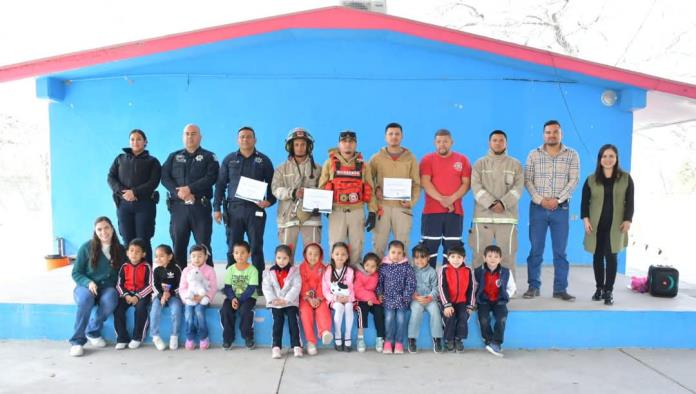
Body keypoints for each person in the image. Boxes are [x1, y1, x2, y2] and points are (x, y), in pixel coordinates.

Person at [523, 120, 580, 301]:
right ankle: (533, 286)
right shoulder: (533, 154)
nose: (551, 135)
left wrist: (557, 199)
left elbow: (574, 180)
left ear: (561, 134)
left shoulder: (572, 155)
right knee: (535, 249)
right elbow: (527, 180)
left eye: (555, 132)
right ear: (543, 134)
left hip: (561, 209)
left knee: (560, 252)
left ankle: (560, 289)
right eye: (548, 132)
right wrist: (541, 200)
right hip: (537, 209)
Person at [215, 126, 275, 290]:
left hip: (255, 210)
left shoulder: (263, 160)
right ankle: (231, 283)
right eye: (242, 137)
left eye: (249, 137)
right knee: (232, 247)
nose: (245, 140)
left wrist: (269, 201)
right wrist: (217, 208)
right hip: (233, 210)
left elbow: (273, 185)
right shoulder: (229, 160)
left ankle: (258, 285)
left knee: (256, 247)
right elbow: (220, 185)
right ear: (237, 140)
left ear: (255, 140)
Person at [581, 144, 634, 305]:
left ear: (616, 158)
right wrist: (586, 219)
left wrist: (628, 219)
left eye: (611, 156)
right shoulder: (591, 179)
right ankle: (599, 288)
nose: (608, 159)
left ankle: (609, 291)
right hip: (596, 225)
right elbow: (584, 202)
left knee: (611, 257)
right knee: (597, 257)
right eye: (604, 156)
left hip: (616, 226)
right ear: (600, 159)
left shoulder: (625, 178)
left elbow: (630, 201)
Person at [161, 124, 219, 268]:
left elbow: (211, 177)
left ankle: (207, 282)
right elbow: (164, 177)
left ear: (200, 137)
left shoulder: (209, 157)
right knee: (178, 246)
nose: (190, 137)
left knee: (203, 246)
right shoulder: (174, 156)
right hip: (178, 208)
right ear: (183, 136)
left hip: (200, 206)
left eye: (193, 134)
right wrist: (178, 192)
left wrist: (190, 189)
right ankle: (181, 282)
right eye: (187, 134)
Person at [318, 131, 376, 267]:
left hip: (357, 211)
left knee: (357, 245)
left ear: (355, 144)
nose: (348, 144)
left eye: (351, 142)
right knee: (336, 246)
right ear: (339, 144)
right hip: (336, 210)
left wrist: (372, 211)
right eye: (344, 141)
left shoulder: (364, 165)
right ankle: (335, 275)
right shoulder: (330, 163)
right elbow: (322, 186)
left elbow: (370, 189)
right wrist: (322, 206)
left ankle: (354, 276)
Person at [469, 130, 524, 274]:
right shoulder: (480, 164)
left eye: (501, 140)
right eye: (495, 140)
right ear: (489, 143)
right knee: (479, 254)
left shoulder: (515, 164)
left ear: (506, 143)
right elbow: (475, 187)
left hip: (507, 218)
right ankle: (477, 288)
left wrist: (503, 204)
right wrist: (492, 204)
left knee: (508, 255)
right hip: (483, 218)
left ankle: (508, 289)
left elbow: (518, 189)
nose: (498, 143)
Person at [69, 216, 124, 357]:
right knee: (86, 299)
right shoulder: (86, 247)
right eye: (99, 229)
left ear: (112, 229)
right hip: (86, 287)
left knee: (112, 298)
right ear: (95, 231)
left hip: (106, 288)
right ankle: (77, 342)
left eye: (106, 228)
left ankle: (92, 330)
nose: (103, 232)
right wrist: (88, 282)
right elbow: (76, 273)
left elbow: (123, 274)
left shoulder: (120, 249)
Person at [420, 129, 472, 268]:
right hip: (431, 213)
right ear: (434, 143)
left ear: (451, 142)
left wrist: (452, 199)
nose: (442, 144)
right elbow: (425, 182)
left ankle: (448, 286)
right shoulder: (427, 159)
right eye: (439, 141)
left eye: (445, 141)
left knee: (452, 251)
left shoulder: (462, 160)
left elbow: (466, 184)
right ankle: (429, 287)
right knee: (428, 250)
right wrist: (443, 200)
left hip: (454, 213)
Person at [107, 129, 162, 261]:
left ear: (145, 142)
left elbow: (153, 182)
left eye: (138, 139)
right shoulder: (120, 159)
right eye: (132, 139)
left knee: (143, 240)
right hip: (124, 205)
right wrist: (123, 192)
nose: (135, 142)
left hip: (144, 205)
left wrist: (135, 192)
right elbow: (110, 177)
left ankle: (146, 276)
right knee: (127, 241)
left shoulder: (153, 161)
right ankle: (128, 276)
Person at [368, 123, 421, 258]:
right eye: (390, 134)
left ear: (402, 136)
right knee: (378, 244)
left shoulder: (410, 158)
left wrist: (411, 201)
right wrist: (376, 189)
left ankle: (403, 277)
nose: (394, 137)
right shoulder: (377, 158)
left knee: (402, 244)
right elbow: (367, 180)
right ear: (385, 137)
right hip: (382, 207)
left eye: (397, 134)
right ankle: (377, 277)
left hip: (402, 208)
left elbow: (416, 183)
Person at [271, 128, 322, 261]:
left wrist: (314, 195)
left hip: (311, 216)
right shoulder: (281, 168)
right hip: (288, 217)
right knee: (285, 255)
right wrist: (292, 192)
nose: (300, 148)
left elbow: (324, 190)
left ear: (309, 146)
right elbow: (275, 189)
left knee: (313, 254)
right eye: (296, 144)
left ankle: (312, 281)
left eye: (303, 144)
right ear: (290, 147)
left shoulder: (318, 169)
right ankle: (286, 281)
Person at [475, 245, 516, 357]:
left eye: (496, 256)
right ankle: (488, 341)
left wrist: (505, 295)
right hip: (484, 301)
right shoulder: (478, 271)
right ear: (484, 258)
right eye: (489, 256)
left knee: (501, 319)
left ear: (500, 259)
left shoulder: (506, 272)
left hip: (499, 301)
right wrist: (474, 300)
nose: (492, 259)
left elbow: (512, 287)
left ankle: (496, 342)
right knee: (483, 319)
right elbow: (474, 286)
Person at [262, 245, 303, 359]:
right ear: (275, 258)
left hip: (290, 302)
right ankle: (276, 347)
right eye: (279, 258)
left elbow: (296, 287)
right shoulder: (269, 272)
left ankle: (296, 345)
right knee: (277, 322)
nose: (281, 261)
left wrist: (286, 300)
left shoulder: (295, 271)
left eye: (284, 258)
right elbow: (266, 287)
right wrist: (274, 300)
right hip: (275, 303)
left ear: (289, 258)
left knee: (293, 321)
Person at [377, 240, 416, 355]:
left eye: (399, 253)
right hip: (388, 299)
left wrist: (406, 296)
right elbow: (379, 283)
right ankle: (388, 342)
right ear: (388, 252)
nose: (396, 255)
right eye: (393, 252)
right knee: (389, 318)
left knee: (400, 319)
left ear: (403, 254)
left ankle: (399, 343)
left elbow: (411, 283)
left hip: (402, 300)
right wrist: (379, 294)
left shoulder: (407, 267)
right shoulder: (383, 267)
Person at [114, 238, 153, 350]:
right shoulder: (124, 266)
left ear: (143, 254)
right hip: (126, 295)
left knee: (141, 309)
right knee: (118, 309)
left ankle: (137, 337)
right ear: (127, 252)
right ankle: (122, 338)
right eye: (131, 250)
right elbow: (119, 284)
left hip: (141, 295)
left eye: (137, 251)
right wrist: (126, 295)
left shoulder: (146, 267)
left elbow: (150, 285)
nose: (134, 254)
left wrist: (137, 296)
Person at [220, 241, 259, 350]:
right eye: (236, 253)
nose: (239, 255)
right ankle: (227, 339)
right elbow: (227, 287)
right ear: (233, 254)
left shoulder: (253, 270)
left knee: (245, 311)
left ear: (249, 254)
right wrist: (233, 299)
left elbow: (251, 289)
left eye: (243, 253)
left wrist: (239, 300)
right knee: (225, 310)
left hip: (248, 297)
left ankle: (248, 337)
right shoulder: (230, 269)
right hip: (232, 297)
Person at [179, 244, 217, 350]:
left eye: (200, 256)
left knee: (199, 312)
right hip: (189, 299)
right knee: (188, 315)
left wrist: (205, 297)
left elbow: (213, 287)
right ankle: (190, 337)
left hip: (203, 299)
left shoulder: (210, 270)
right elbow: (182, 287)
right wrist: (187, 297)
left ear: (205, 257)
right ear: (190, 257)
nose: (196, 259)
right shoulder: (186, 270)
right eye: (193, 256)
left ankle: (203, 337)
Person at [298, 243, 333, 356]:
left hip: (320, 297)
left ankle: (325, 332)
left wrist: (318, 298)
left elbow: (323, 284)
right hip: (305, 298)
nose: (313, 257)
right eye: (310, 254)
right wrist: (309, 299)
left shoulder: (323, 268)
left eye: (316, 254)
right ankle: (311, 342)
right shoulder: (301, 268)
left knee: (323, 310)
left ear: (321, 255)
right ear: (305, 255)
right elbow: (303, 284)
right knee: (305, 312)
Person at [437, 245, 474, 353]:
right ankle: (449, 339)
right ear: (448, 258)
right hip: (447, 301)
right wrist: (447, 305)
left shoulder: (468, 270)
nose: (456, 260)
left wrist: (470, 305)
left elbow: (471, 288)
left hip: (461, 301)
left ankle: (459, 338)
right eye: (453, 257)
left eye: (459, 257)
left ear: (464, 258)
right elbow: (441, 287)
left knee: (463, 315)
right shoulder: (444, 269)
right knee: (450, 316)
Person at [408, 243, 443, 354]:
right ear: (413, 259)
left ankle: (437, 338)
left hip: (429, 299)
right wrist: (413, 295)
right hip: (416, 299)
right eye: (416, 258)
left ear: (428, 258)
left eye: (422, 257)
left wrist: (430, 297)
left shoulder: (432, 272)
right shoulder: (410, 271)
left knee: (435, 311)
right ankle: (412, 339)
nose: (419, 260)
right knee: (416, 311)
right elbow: (408, 285)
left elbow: (436, 287)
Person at [322, 242, 356, 352]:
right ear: (332, 255)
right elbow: (325, 289)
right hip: (334, 300)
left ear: (347, 256)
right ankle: (337, 336)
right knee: (340, 307)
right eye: (337, 254)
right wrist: (334, 298)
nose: (340, 256)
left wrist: (348, 298)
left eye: (343, 254)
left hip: (347, 298)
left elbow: (352, 287)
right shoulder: (328, 270)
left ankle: (347, 337)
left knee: (349, 306)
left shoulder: (350, 271)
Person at [149, 244, 183, 351]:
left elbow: (180, 284)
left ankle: (174, 336)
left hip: (173, 295)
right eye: (156, 256)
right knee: (154, 311)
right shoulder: (156, 269)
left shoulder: (176, 268)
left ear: (170, 256)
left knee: (176, 310)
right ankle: (155, 336)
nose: (158, 259)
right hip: (160, 296)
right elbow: (154, 285)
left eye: (162, 256)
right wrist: (161, 295)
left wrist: (170, 293)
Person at [354, 252, 385, 353]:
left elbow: (376, 288)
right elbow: (357, 289)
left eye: (373, 266)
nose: (369, 268)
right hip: (361, 299)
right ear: (363, 264)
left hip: (372, 300)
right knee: (362, 312)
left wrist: (377, 297)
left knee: (379, 312)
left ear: (376, 267)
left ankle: (380, 338)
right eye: (367, 265)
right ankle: (360, 339)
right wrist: (368, 299)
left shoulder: (376, 275)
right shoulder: (359, 274)